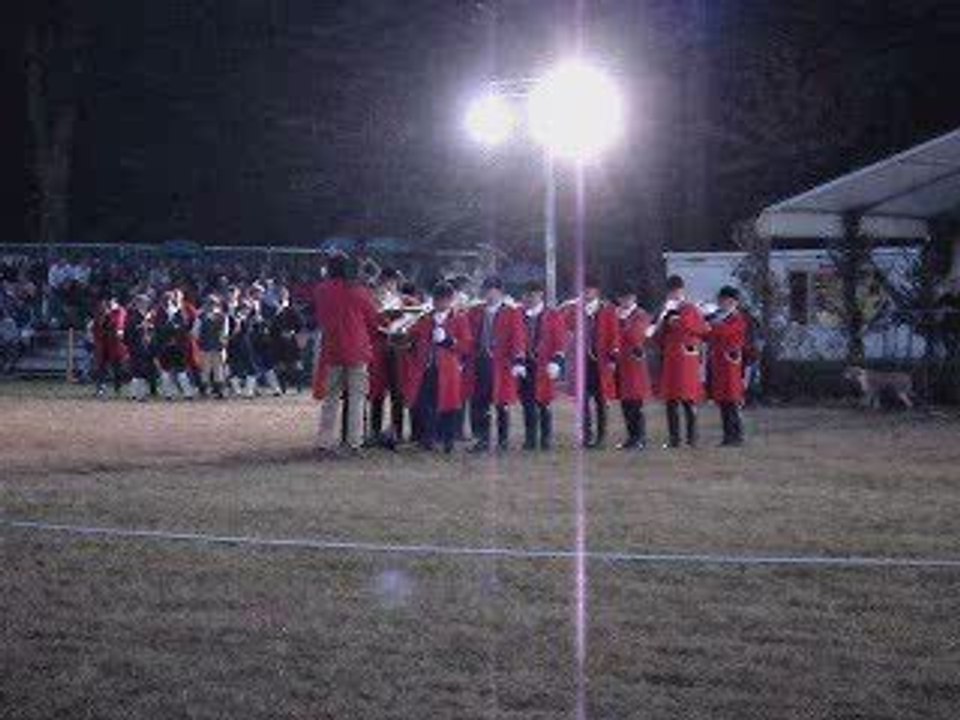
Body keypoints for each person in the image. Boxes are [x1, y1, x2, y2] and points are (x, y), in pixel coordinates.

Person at [311, 253, 380, 453]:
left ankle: (324, 441)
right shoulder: (358, 291)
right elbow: (373, 320)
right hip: (357, 350)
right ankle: (354, 442)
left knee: (330, 398)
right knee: (357, 399)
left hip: (332, 348)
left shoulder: (321, 290)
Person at [403, 282, 473, 453]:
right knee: (425, 405)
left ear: (450, 300)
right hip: (426, 369)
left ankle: (448, 440)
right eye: (436, 300)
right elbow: (413, 337)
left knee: (449, 406)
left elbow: (466, 345)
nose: (439, 304)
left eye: (443, 300)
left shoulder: (459, 318)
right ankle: (429, 438)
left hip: (448, 371)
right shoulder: (425, 318)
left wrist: (448, 341)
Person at [465, 276, 527, 452]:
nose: (489, 295)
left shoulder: (511, 312)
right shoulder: (475, 311)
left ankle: (502, 440)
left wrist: (518, 360)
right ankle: (481, 439)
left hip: (501, 364)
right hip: (480, 362)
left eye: (493, 291)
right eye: (486, 291)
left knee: (501, 403)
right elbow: (468, 336)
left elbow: (518, 338)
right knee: (479, 402)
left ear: (500, 292)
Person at [653, 275, 708, 448]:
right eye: (672, 291)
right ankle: (674, 439)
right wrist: (663, 322)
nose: (674, 294)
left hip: (686, 360)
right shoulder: (665, 310)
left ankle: (692, 439)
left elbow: (699, 329)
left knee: (688, 399)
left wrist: (675, 320)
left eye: (677, 291)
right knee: (671, 400)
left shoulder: (690, 307)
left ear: (682, 291)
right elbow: (657, 334)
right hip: (670, 359)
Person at [566, 280, 619, 448]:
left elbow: (614, 334)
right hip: (582, 362)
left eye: (590, 290)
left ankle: (601, 437)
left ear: (597, 292)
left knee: (601, 400)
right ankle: (586, 435)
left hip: (601, 361)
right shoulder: (575, 309)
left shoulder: (607, 310)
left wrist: (612, 357)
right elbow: (566, 326)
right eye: (584, 290)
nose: (586, 293)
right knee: (583, 401)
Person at [519, 281, 568, 450]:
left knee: (543, 402)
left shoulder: (552, 315)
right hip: (525, 363)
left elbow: (560, 340)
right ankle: (530, 438)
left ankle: (546, 438)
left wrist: (557, 361)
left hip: (545, 364)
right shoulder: (519, 315)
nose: (530, 298)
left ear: (541, 295)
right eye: (527, 295)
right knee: (527, 403)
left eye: (533, 295)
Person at [707, 286, 749, 446]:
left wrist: (713, 324)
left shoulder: (738, 318)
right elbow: (708, 335)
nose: (720, 303)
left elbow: (725, 332)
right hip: (719, 364)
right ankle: (727, 436)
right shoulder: (719, 317)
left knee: (733, 400)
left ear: (732, 302)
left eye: (723, 300)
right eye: (720, 300)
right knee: (723, 401)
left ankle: (737, 436)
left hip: (731, 364)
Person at [614, 286, 652, 450]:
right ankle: (631, 437)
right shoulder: (617, 314)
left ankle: (640, 437)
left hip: (635, 365)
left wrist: (619, 326)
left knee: (636, 403)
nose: (625, 301)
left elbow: (635, 335)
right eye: (622, 298)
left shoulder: (640, 314)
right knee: (625, 403)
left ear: (634, 298)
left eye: (628, 298)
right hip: (621, 363)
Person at [91, 295, 129, 397]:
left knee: (117, 368)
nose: (105, 305)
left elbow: (119, 326)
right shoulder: (99, 313)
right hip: (103, 345)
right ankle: (101, 388)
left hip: (115, 345)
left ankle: (117, 388)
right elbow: (95, 328)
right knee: (101, 368)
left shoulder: (119, 312)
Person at [193, 294, 230, 399]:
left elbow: (225, 332)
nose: (211, 305)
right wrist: (199, 341)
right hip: (205, 345)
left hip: (218, 346)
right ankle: (205, 390)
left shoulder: (222, 316)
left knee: (218, 368)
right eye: (209, 303)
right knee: (205, 369)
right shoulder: (201, 316)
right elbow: (195, 332)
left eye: (213, 303)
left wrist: (223, 342)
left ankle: (219, 390)